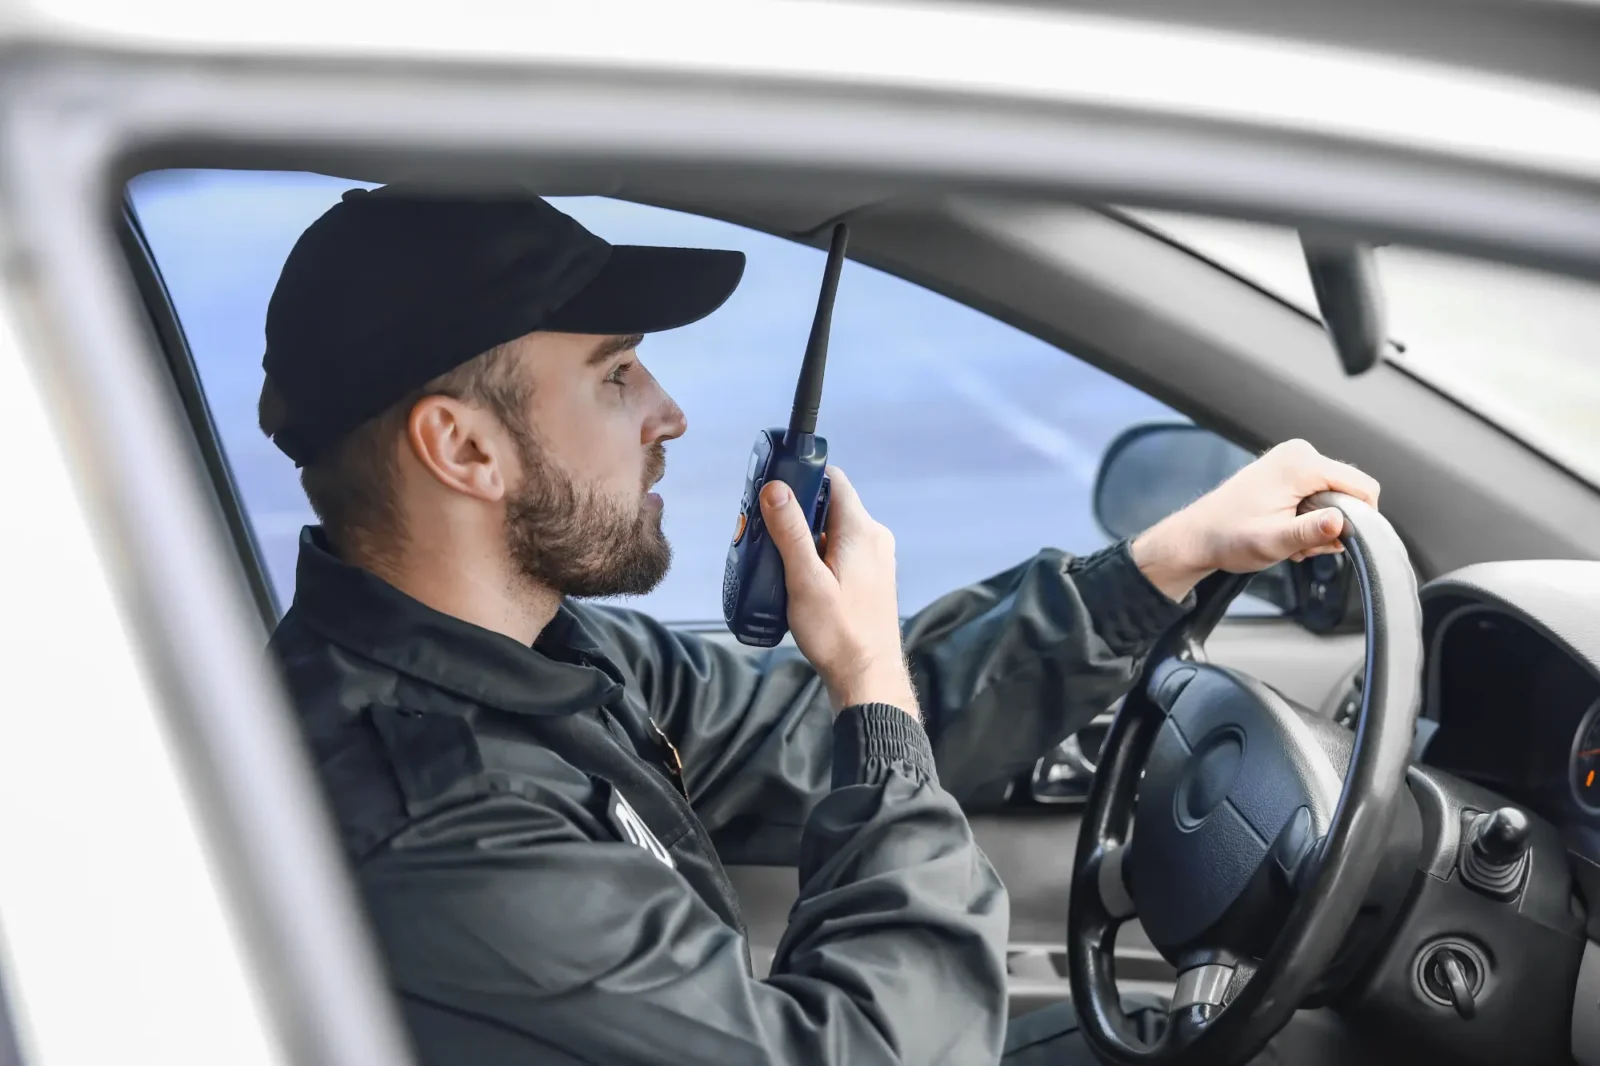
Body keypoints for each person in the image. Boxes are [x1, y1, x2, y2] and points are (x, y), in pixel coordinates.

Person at [258, 184, 1380, 1065]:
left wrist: (1164, 560)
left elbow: (807, 727)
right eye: (614, 375)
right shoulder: (446, 834)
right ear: (464, 449)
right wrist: (871, 683)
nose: (669, 413)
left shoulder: (543, 657)